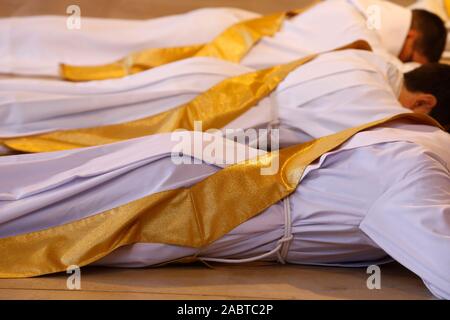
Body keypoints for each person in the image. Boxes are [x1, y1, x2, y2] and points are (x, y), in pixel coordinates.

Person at [0, 113, 448, 299]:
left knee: (42, 192)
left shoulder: (425, 140)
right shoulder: (419, 169)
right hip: (196, 195)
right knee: (37, 221)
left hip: (203, 172)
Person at [2, 47, 449, 153]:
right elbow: (388, 143)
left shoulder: (369, 59)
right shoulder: (371, 98)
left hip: (215, 84)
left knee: (78, 103)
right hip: (210, 104)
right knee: (76, 118)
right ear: (425, 104)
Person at [0, 0, 446, 78]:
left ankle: (22, 54)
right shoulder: (358, 24)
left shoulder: (354, 16)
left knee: (110, 50)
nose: (401, 61)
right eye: (409, 54)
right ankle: (15, 47)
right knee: (108, 47)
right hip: (211, 39)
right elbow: (376, 59)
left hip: (221, 35)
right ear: (408, 34)